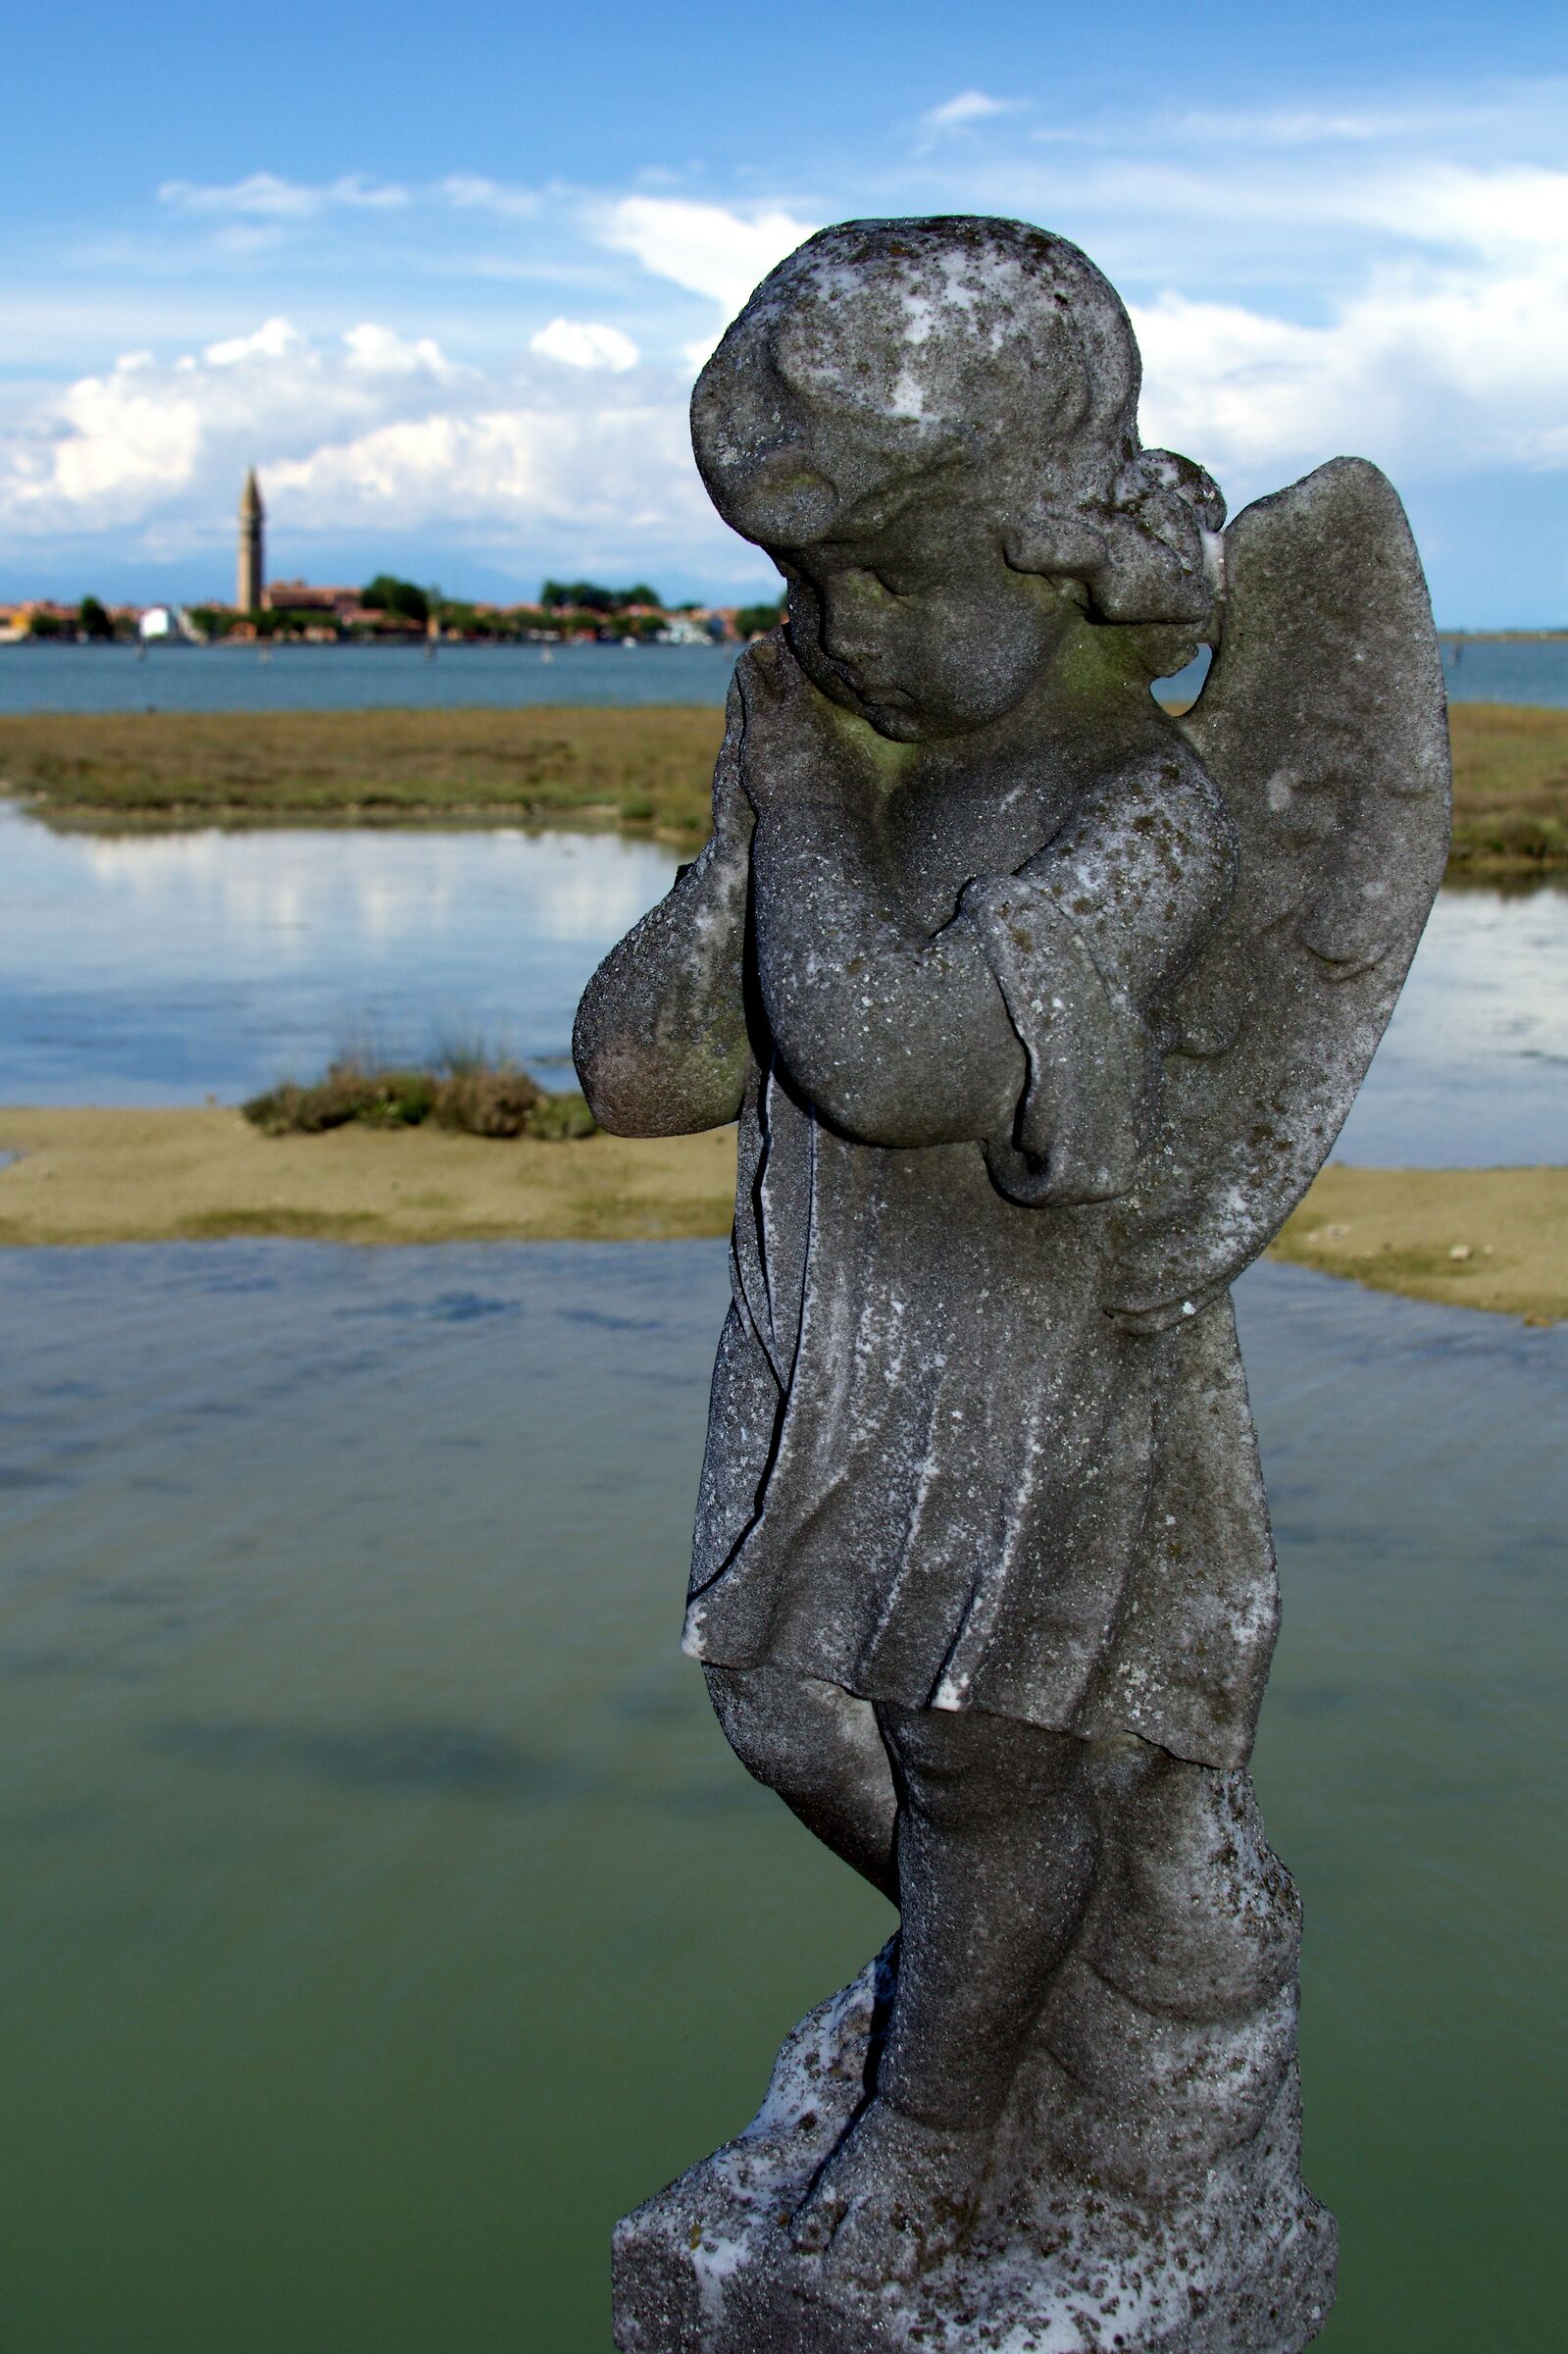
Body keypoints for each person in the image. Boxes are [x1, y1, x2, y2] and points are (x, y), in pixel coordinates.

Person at [575, 219, 1292, 2282]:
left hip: (1023, 1372)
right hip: (821, 1345)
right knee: (784, 1714)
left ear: (1057, 552)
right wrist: (737, 845)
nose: (838, 632)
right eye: (805, 585)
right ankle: (1033, 1952)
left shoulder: (1138, 809)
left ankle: (943, 2109)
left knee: (979, 1758)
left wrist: (795, 794)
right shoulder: (843, 783)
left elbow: (893, 1063)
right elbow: (635, 1070)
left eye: (892, 577)